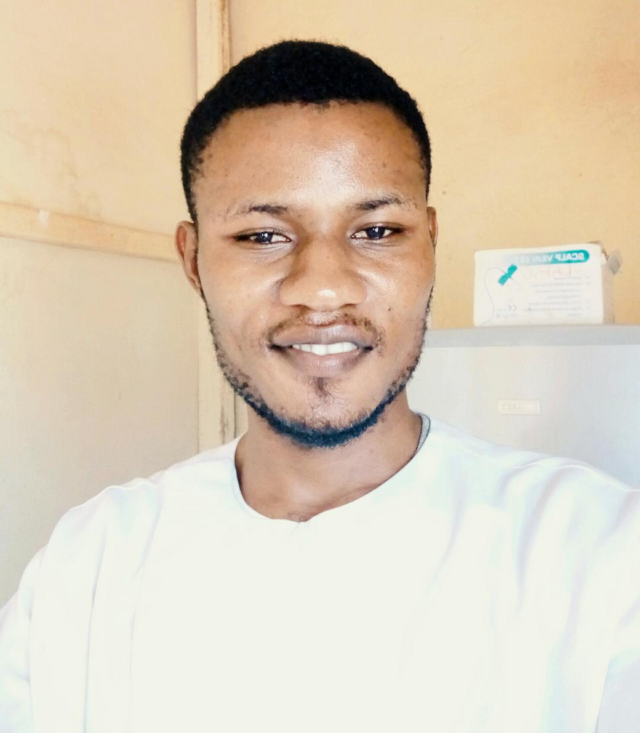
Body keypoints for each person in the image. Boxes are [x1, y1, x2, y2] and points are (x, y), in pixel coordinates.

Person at [0, 40, 638, 732]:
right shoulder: (91, 563)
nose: (324, 287)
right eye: (263, 236)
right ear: (192, 259)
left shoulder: (599, 557)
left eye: (377, 230)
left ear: (429, 244)